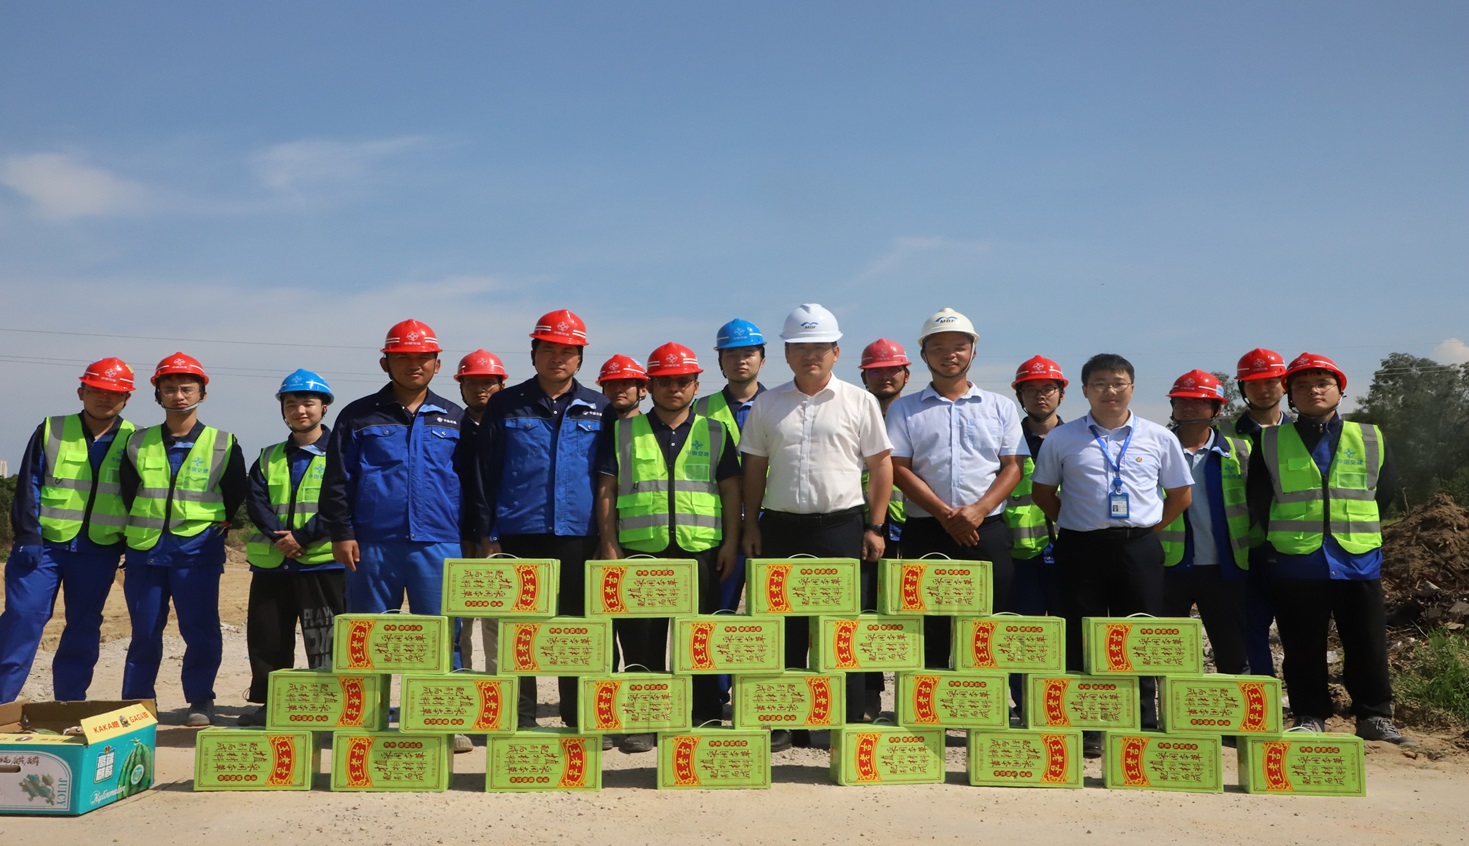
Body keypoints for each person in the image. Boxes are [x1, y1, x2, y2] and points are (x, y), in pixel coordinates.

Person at [740, 303, 893, 750]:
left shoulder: (859, 401)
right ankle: (785, 720)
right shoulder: (767, 403)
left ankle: (840, 718)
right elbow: (754, 468)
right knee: (782, 625)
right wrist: (751, 524)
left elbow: (881, 467)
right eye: (801, 347)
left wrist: (876, 526)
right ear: (787, 353)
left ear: (836, 352)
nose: (811, 355)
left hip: (841, 528)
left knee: (841, 629)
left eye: (821, 347)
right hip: (781, 527)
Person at [1030, 353, 1192, 757]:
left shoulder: (1159, 437)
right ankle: (1088, 725)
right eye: (1100, 384)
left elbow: (1180, 495)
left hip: (1138, 547)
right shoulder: (1062, 439)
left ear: (1132, 388)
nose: (1110, 391)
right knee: (1080, 635)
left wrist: (1147, 530)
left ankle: (1142, 722)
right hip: (1080, 548)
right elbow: (1043, 493)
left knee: (1139, 636)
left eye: (1118, 383)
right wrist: (1076, 522)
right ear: (1085, 391)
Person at [1247, 352, 1412, 745]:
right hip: (1297, 560)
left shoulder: (1370, 436)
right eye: (1301, 385)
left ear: (1340, 389)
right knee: (1302, 644)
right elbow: (1259, 499)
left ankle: (1374, 716)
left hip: (1357, 558)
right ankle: (1310, 714)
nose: (1313, 391)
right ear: (1290, 395)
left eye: (1322, 383)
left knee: (1367, 642)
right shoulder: (1269, 441)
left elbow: (1384, 493)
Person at [594, 342, 742, 751]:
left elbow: (731, 491)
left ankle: (703, 713)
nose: (674, 388)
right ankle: (645, 721)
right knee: (642, 640)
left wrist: (731, 542)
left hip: (701, 550)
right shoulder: (624, 431)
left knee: (699, 637)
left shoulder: (716, 431)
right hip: (642, 550)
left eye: (682, 381)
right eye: (664, 381)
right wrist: (609, 544)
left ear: (696, 385)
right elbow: (606, 490)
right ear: (650, 386)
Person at [479, 309, 610, 734]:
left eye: (567, 351)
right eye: (549, 349)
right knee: (519, 631)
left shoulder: (600, 408)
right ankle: (521, 718)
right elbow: (485, 472)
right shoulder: (505, 404)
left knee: (575, 631)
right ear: (533, 353)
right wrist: (488, 533)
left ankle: (578, 715)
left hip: (578, 535)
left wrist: (605, 537)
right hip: (519, 533)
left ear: (580, 358)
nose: (558, 358)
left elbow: (608, 479)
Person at [887, 310, 1024, 671]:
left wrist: (978, 510)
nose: (950, 354)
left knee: (987, 631)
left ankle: (981, 702)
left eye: (959, 346)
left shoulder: (1000, 407)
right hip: (927, 531)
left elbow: (1013, 466)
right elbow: (899, 468)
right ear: (924, 355)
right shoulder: (904, 410)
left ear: (973, 351)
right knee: (927, 632)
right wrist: (944, 514)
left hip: (985, 531)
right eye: (938, 347)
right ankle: (929, 704)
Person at [119, 353, 246, 727]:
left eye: (186, 388)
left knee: (200, 629)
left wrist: (213, 527)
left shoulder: (222, 442)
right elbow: (128, 491)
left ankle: (200, 700)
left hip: (197, 552)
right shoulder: (136, 442)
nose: (178, 395)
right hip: (146, 550)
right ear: (158, 393)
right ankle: (138, 703)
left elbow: (234, 493)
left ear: (202, 393)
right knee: (144, 632)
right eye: (169, 388)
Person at [1, 358, 137, 704]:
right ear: (81, 392)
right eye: (97, 390)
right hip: (43, 547)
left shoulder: (136, 440)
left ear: (126, 398)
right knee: (22, 620)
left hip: (99, 549)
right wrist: (27, 535)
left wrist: (130, 544)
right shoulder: (52, 429)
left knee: (83, 627)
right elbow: (29, 483)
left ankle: (69, 703)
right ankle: (2, 701)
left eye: (115, 393)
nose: (105, 398)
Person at [237, 370, 342, 727]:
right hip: (273, 563)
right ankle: (271, 704)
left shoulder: (341, 454)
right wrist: (279, 537)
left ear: (324, 407)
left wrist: (303, 537)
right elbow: (256, 501)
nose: (300, 410)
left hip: (322, 562)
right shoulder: (268, 456)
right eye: (291, 403)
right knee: (268, 638)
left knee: (325, 638)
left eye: (308, 403)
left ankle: (327, 705)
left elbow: (341, 502)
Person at [692, 318, 768, 704]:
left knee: (770, 611)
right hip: (719, 523)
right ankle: (716, 691)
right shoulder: (701, 408)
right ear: (720, 361)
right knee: (717, 610)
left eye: (748, 353)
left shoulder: (780, 404)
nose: (741, 360)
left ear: (762, 359)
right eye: (731, 354)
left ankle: (762, 695)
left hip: (772, 520)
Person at [1157, 370, 1251, 676]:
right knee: (1168, 657)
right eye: (1181, 401)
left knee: (1233, 652)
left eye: (1198, 401)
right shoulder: (1155, 449)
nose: (1188, 407)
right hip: (1169, 567)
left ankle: (1233, 706)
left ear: (1216, 408)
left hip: (1224, 568)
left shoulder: (1240, 451)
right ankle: (1174, 706)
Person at [857, 337, 911, 719]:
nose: (885, 377)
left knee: (913, 614)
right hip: (869, 525)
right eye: (876, 371)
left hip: (914, 526)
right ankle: (869, 693)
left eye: (892, 370)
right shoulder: (856, 411)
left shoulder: (917, 414)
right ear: (864, 377)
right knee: (866, 613)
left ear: (906, 373)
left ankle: (915, 697)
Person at [1231, 347, 1291, 677]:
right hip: (1246, 551)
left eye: (1270, 381)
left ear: (1284, 384)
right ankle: (1260, 696)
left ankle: (1304, 700)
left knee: (1298, 630)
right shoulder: (1225, 437)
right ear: (1242, 388)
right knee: (1251, 629)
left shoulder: (1301, 434)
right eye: (1253, 383)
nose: (1263, 389)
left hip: (1294, 549)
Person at [452, 349, 508, 673]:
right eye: (471, 382)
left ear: (502, 385)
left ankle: (497, 690)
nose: (480, 389)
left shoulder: (510, 428)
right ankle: (461, 687)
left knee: (497, 621)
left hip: (498, 540)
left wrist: (494, 533)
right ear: (460, 386)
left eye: (488, 382)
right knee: (457, 622)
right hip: (456, 537)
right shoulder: (449, 427)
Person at [1005, 356, 1068, 618]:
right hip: (1020, 554)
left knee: (1070, 630)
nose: (1039, 396)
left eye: (1048, 389)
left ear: (1061, 394)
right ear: (1019, 395)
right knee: (1022, 631)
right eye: (1030, 389)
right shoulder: (1006, 442)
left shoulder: (1079, 441)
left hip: (1070, 551)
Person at [597, 355, 648, 419]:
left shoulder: (653, 425)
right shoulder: (594, 424)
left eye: (626, 384)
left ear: (643, 390)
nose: (617, 390)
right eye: (610, 384)